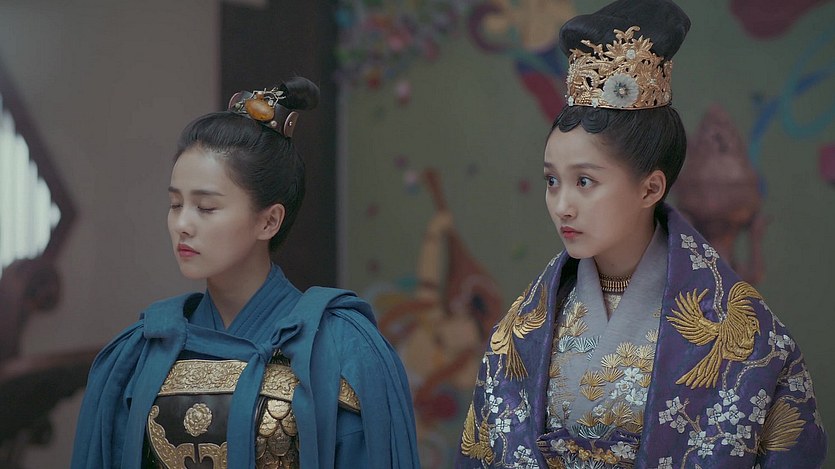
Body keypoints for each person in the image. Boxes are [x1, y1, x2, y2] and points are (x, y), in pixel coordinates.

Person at [456, 1, 827, 467]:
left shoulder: (742, 333)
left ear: (650, 188)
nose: (562, 204)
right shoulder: (522, 329)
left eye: (584, 181)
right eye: (552, 180)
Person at [71, 77, 420, 469]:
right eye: (175, 204)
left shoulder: (342, 351)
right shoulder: (140, 352)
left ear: (269, 221)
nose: (182, 224)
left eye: (206, 208)